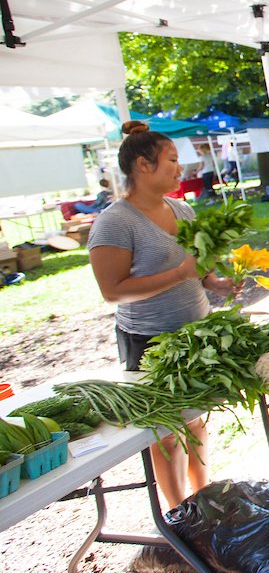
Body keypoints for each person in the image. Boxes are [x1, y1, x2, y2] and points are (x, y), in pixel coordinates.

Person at [87, 121, 238, 508]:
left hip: (195, 337)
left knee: (196, 420)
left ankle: (201, 502)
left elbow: (196, 267)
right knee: (166, 433)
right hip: (151, 342)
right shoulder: (115, 222)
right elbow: (112, 290)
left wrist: (216, 283)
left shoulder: (182, 209)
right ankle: (177, 514)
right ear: (143, 165)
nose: (179, 166)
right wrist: (179, 275)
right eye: (171, 160)